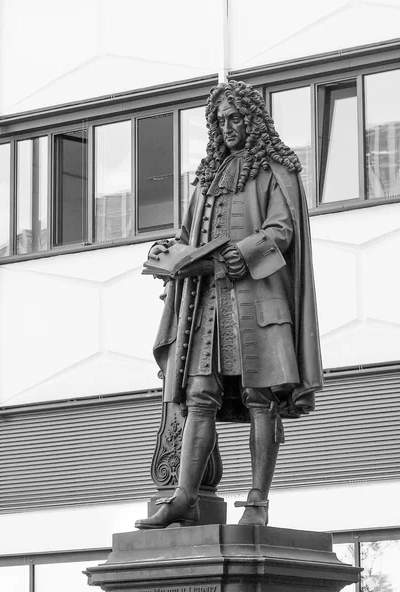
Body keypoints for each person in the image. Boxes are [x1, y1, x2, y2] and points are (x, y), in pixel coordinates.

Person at [135, 80, 322, 529]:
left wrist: (246, 251)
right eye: (220, 120)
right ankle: (184, 497)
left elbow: (282, 229)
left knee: (261, 397)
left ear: (252, 120)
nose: (227, 126)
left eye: (235, 117)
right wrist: (170, 255)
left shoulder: (276, 169)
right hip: (207, 305)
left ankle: (258, 502)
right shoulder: (206, 178)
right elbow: (187, 238)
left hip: (257, 299)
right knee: (199, 395)